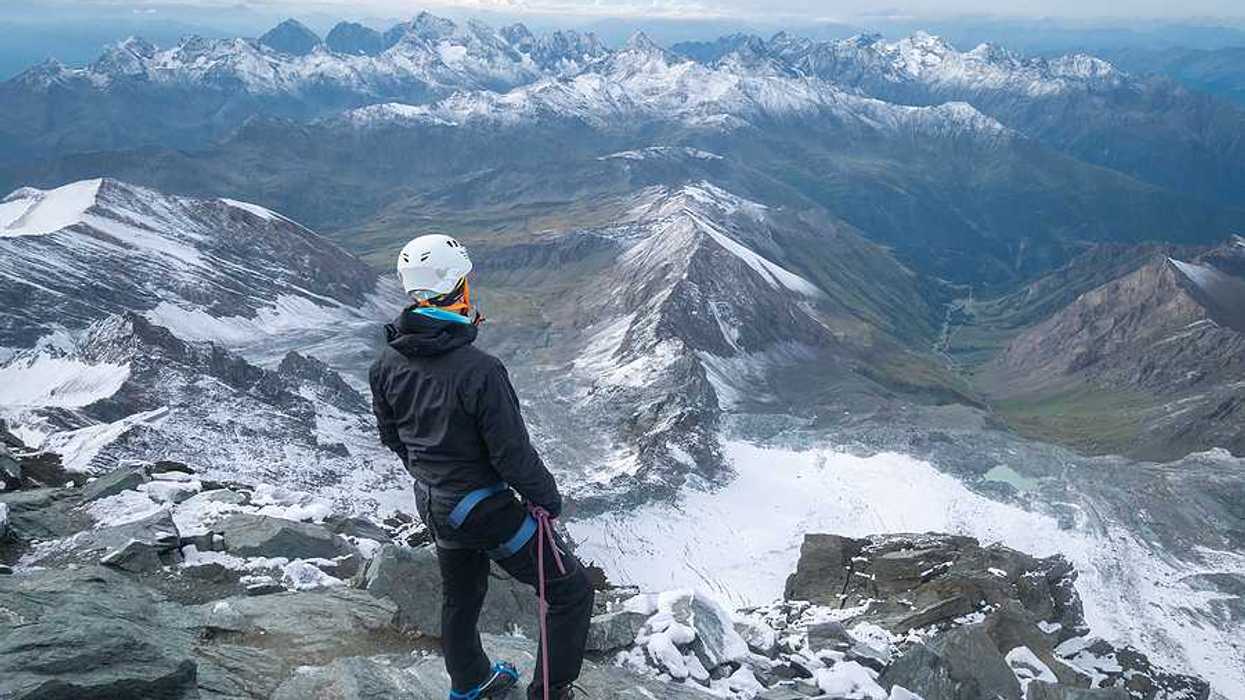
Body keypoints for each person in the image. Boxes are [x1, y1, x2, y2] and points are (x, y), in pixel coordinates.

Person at [369, 234, 593, 700]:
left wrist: (434, 474)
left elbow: (392, 436)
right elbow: (511, 455)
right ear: (455, 288)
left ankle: (470, 684)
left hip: (435, 502)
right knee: (570, 590)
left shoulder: (386, 361)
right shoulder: (479, 369)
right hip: (483, 508)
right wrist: (547, 500)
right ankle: (551, 693)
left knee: (462, 596)